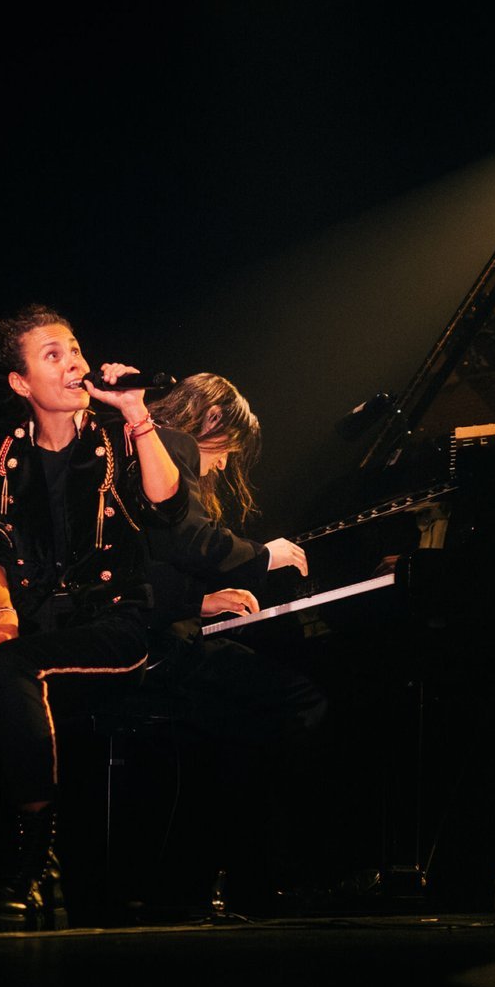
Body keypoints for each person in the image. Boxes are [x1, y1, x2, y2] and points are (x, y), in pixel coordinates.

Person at [0, 303, 187, 931]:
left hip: (113, 623)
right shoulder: (0, 450)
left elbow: (166, 508)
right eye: (53, 354)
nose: (73, 362)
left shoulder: (116, 435)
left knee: (17, 661)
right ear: (21, 383)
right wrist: (2, 612)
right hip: (35, 624)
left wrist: (137, 414)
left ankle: (35, 861)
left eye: (73, 348)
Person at [137, 373, 333, 910]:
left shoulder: (143, 452)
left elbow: (150, 567)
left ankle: (223, 872)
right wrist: (265, 554)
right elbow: (193, 543)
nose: (224, 464)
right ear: (213, 420)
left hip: (158, 626)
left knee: (247, 718)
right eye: (227, 452)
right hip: (151, 645)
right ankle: (262, 871)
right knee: (300, 703)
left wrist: (201, 601)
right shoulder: (167, 454)